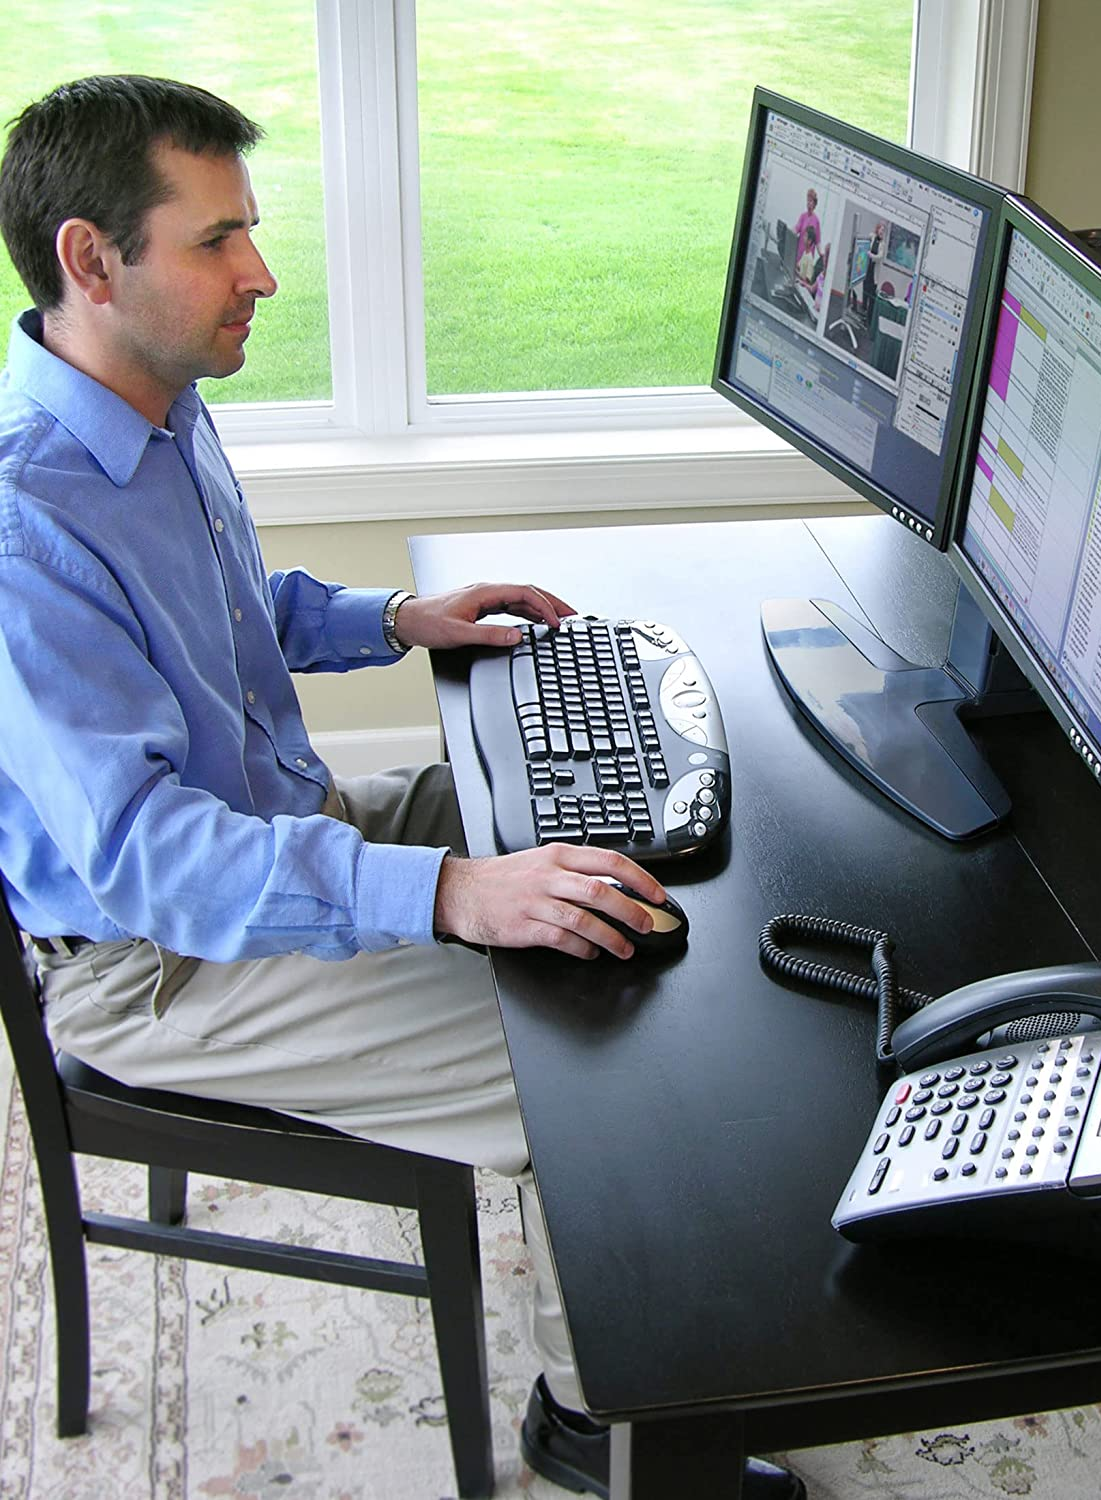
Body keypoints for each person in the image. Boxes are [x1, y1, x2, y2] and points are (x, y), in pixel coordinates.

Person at [0, 75, 803, 1500]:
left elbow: (220, 617)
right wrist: (449, 895)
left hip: (275, 830)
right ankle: (597, 1425)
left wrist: (389, 620)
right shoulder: (25, 521)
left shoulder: (157, 403)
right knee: (601, 1083)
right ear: (90, 260)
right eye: (217, 240)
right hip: (159, 958)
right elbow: (145, 856)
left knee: (580, 814)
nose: (260, 272)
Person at [863, 220, 885, 317]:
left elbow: (880, 256)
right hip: (867, 270)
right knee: (865, 292)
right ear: (877, 229)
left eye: (883, 231)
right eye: (881, 229)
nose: (882, 232)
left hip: (873, 274)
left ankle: (869, 317)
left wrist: (871, 255)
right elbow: (865, 245)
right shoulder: (871, 236)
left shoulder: (882, 244)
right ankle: (863, 312)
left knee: (872, 296)